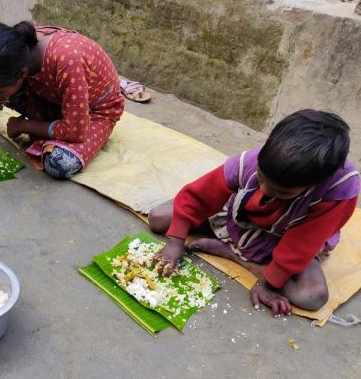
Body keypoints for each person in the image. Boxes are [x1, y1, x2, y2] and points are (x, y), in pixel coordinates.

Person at [148, 109, 359, 317]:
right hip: (241, 219)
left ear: (314, 184)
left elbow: (301, 245)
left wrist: (266, 284)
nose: (266, 190)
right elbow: (200, 195)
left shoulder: (338, 191)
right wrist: (176, 242)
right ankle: (234, 244)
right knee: (158, 218)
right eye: (260, 178)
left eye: (281, 191)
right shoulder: (253, 161)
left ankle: (234, 255)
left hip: (286, 238)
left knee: (312, 297)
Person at [0, 21, 125, 179]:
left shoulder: (67, 60)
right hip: (55, 96)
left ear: (22, 73)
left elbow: (75, 130)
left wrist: (23, 125)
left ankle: (48, 126)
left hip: (95, 111)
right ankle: (46, 121)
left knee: (59, 163)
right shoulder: (17, 46)